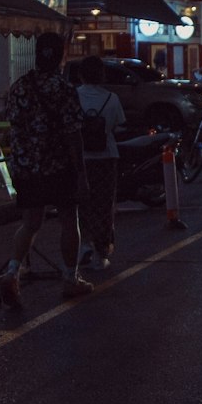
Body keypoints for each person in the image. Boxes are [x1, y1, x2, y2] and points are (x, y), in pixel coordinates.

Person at [0, 32, 94, 309]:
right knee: (68, 219)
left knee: (30, 222)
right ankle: (69, 278)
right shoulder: (64, 90)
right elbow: (73, 134)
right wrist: (81, 173)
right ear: (61, 56)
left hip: (26, 167)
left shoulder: (19, 87)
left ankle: (12, 272)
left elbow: (14, 127)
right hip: (59, 167)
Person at [75, 54, 127, 272]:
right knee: (105, 205)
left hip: (81, 158)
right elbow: (119, 125)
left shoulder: (74, 96)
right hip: (107, 157)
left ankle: (83, 243)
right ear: (102, 74)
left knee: (81, 202)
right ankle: (101, 252)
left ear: (81, 75)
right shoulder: (111, 98)